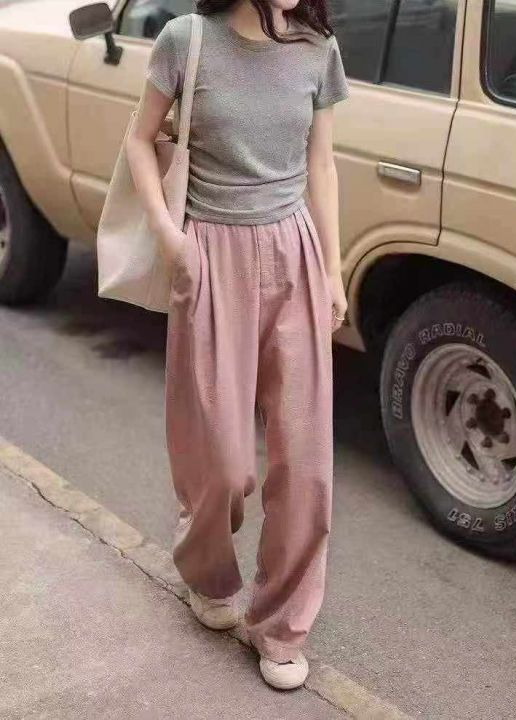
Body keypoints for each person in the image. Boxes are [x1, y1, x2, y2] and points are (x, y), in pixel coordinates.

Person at [126, 0, 349, 690]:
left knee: (305, 462)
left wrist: (334, 271)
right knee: (219, 463)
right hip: (210, 257)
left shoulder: (318, 47)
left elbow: (322, 164)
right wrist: (171, 239)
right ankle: (207, 572)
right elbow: (139, 140)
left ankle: (280, 625)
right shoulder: (186, 39)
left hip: (295, 255)